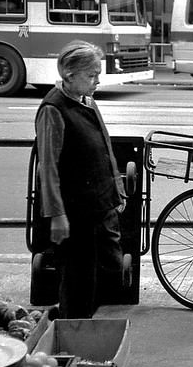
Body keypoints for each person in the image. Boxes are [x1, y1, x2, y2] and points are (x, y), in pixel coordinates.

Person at [35, 40, 127, 318]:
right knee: (77, 279)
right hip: (75, 212)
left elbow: (105, 146)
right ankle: (72, 330)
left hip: (99, 206)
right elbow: (47, 167)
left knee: (104, 270)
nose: (97, 80)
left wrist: (117, 188)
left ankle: (83, 325)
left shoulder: (86, 101)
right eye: (92, 75)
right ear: (69, 76)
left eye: (98, 74)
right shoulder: (53, 109)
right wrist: (57, 215)